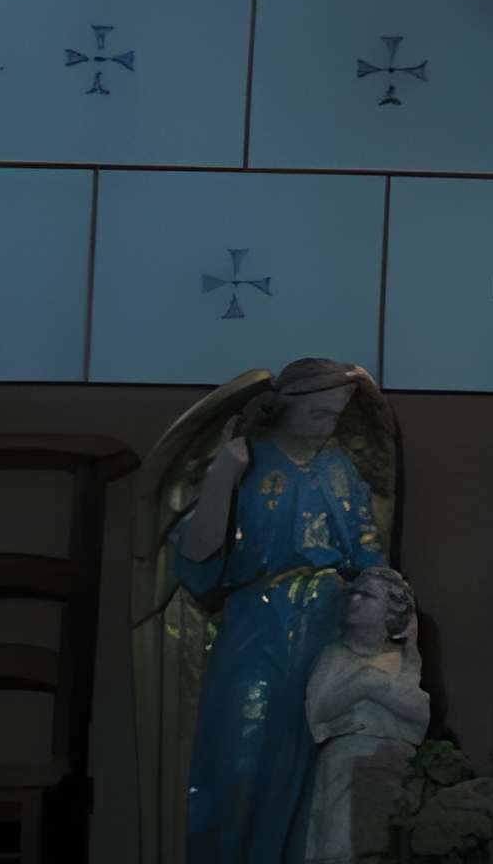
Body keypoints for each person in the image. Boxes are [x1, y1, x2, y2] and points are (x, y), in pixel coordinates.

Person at [171, 361, 395, 864]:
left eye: (336, 415)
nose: (329, 426)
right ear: (285, 408)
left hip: (328, 626)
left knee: (317, 768)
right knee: (240, 756)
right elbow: (197, 560)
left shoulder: (339, 469)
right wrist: (222, 474)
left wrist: (385, 602)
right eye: (318, 414)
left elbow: (368, 553)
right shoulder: (249, 459)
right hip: (258, 625)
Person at [300, 568, 427, 864]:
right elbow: (318, 709)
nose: (354, 599)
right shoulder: (336, 655)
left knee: (383, 843)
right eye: (354, 592)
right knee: (340, 845)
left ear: (390, 611)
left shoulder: (401, 659)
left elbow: (419, 713)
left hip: (392, 768)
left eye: (366, 595)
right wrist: (364, 683)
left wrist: (370, 683)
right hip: (344, 768)